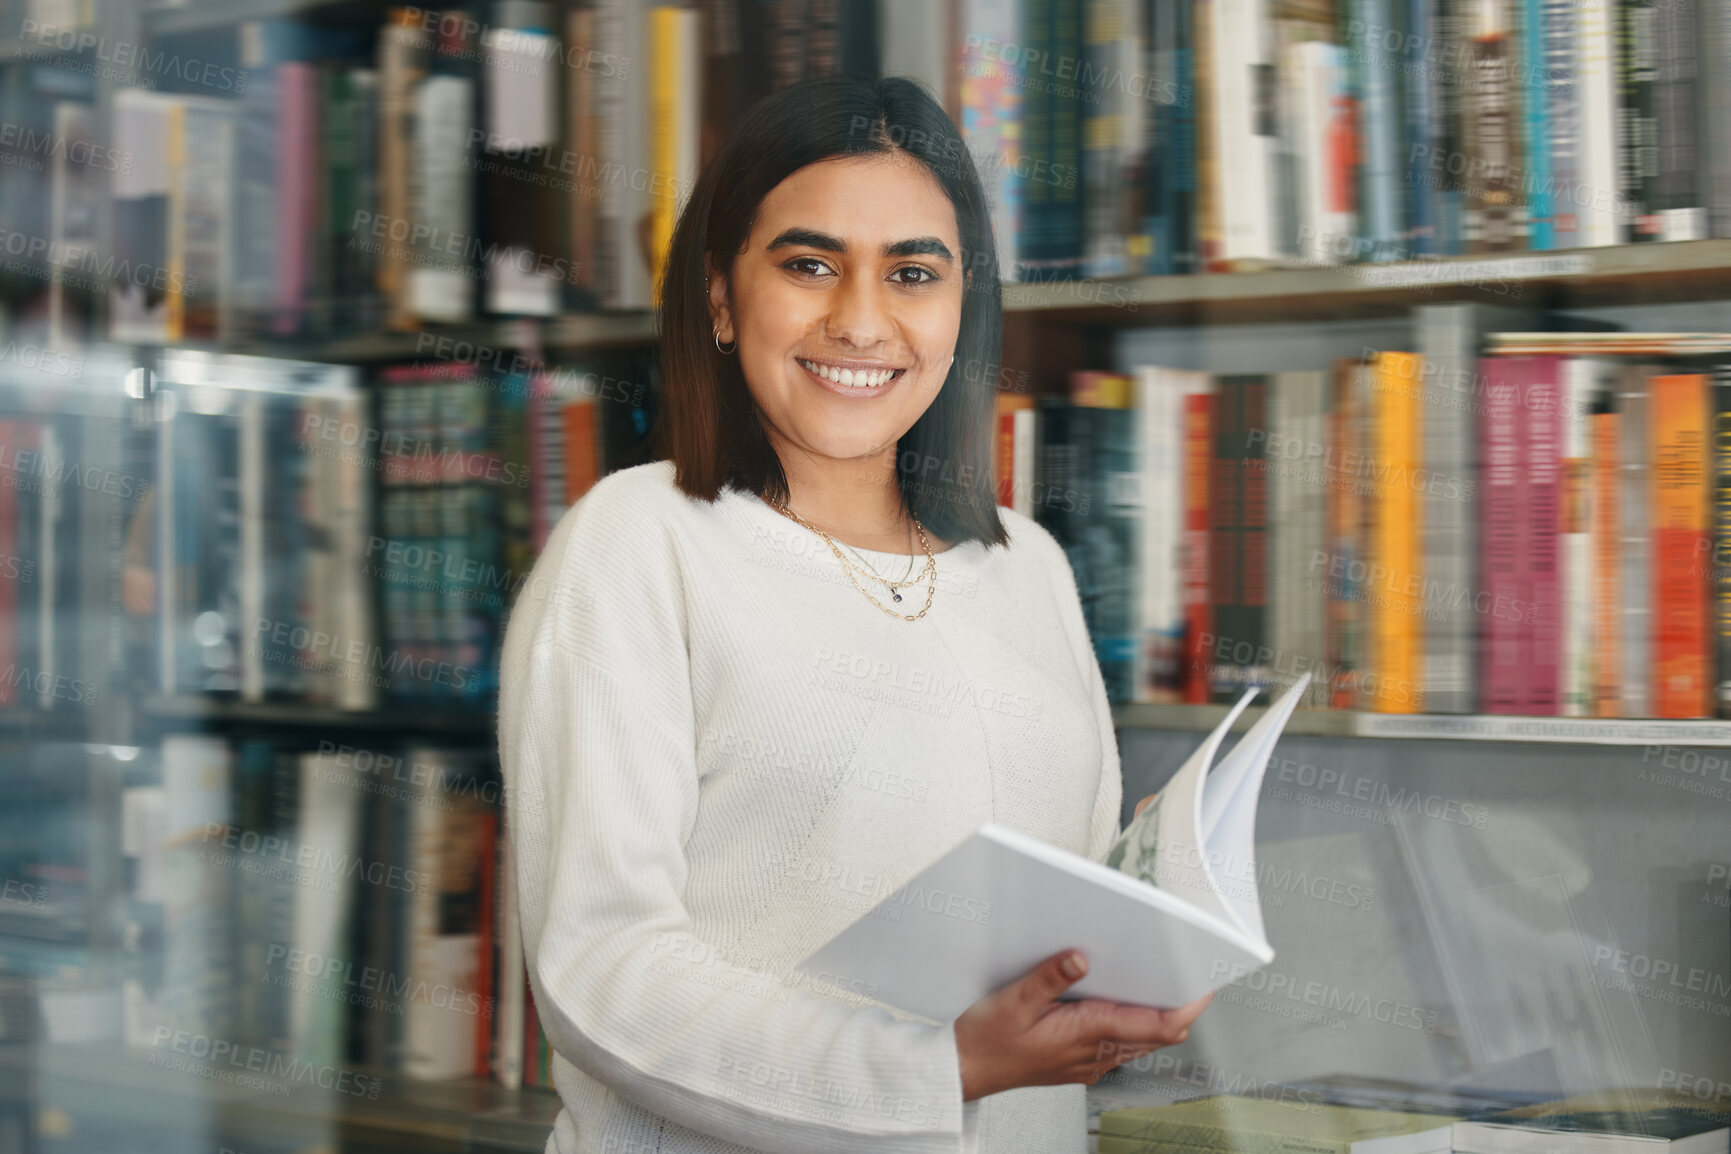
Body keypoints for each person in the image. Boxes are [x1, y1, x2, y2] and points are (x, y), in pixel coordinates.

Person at [497, 73, 1210, 1154]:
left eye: (913, 272)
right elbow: (606, 970)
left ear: (963, 304)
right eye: (810, 264)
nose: (863, 319)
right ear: (722, 297)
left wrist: (1140, 933)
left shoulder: (1030, 566)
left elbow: (1037, 950)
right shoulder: (638, 541)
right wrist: (936, 1068)